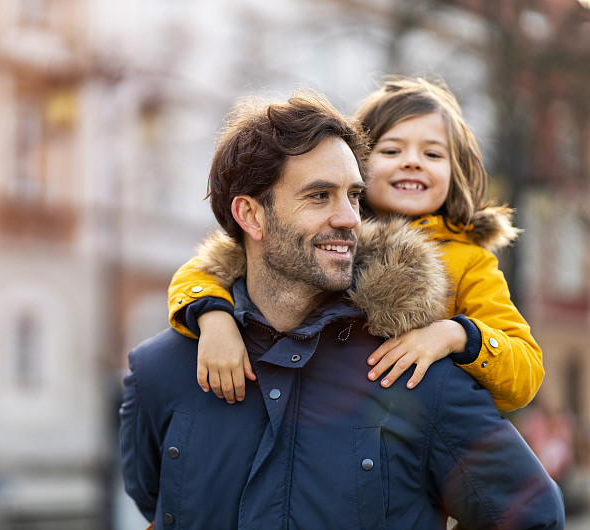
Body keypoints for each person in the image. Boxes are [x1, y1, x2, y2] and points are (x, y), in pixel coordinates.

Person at [119, 90, 564, 530]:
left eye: (353, 196)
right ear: (249, 216)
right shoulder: (161, 370)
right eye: (319, 195)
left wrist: (458, 335)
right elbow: (161, 504)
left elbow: (531, 515)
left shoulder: (419, 370)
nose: (349, 217)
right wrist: (211, 316)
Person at [168, 77, 543, 411]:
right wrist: (214, 318)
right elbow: (205, 269)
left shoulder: (469, 260)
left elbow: (525, 372)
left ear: (455, 170)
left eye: (432, 154)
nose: (412, 163)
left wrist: (457, 334)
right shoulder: (324, 236)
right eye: (392, 151)